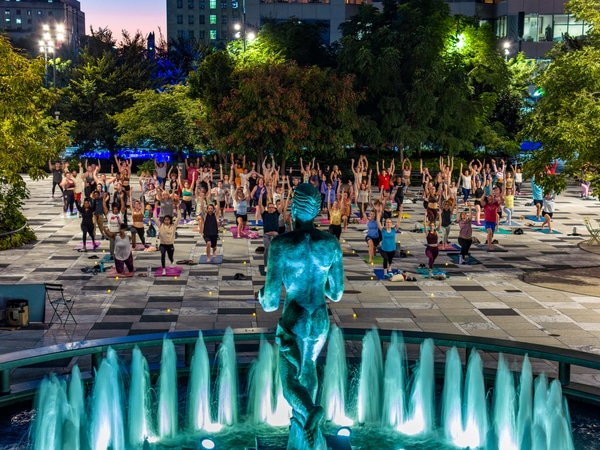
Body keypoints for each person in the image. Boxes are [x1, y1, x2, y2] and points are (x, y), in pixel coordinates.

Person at [257, 183, 344, 450]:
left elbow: (271, 303)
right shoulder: (330, 244)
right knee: (309, 369)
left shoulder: (282, 245)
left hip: (294, 317)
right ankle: (309, 428)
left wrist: (261, 295)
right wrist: (322, 283)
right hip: (319, 315)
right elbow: (337, 292)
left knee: (289, 380)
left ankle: (308, 411)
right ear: (318, 211)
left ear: (292, 208)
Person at [155, 207, 182, 274]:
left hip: (170, 245)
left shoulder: (173, 226)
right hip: (162, 244)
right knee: (163, 255)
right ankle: (163, 269)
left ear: (170, 220)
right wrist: (155, 208)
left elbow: (179, 218)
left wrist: (178, 209)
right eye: (165, 220)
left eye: (168, 220)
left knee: (170, 256)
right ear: (163, 220)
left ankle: (172, 261)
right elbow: (154, 218)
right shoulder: (160, 225)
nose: (167, 221)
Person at [261, 201, 280, 271]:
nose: (271, 209)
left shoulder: (276, 214)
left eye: (272, 207)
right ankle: (266, 265)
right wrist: (261, 195)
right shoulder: (265, 214)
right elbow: (260, 205)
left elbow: (282, 205)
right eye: (269, 208)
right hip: (267, 235)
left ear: (274, 208)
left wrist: (282, 194)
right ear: (267, 208)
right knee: (268, 248)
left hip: (275, 236)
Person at [377, 213, 397, 278]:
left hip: (392, 248)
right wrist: (378, 212)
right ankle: (385, 273)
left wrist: (400, 213)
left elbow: (399, 222)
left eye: (389, 222)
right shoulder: (383, 230)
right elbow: (378, 221)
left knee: (390, 259)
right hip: (384, 248)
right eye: (387, 222)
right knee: (385, 258)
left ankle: (390, 266)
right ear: (385, 223)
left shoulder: (394, 230)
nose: (388, 223)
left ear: (391, 223)